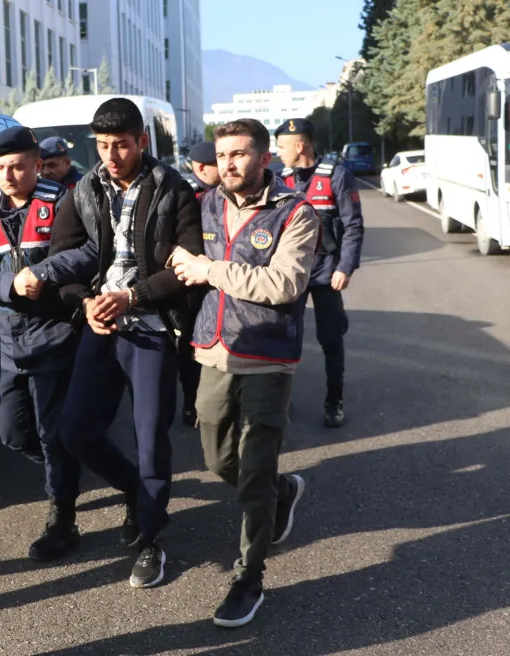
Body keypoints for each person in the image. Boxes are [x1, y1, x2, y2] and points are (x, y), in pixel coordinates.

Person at [24, 98, 202, 589]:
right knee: (75, 431)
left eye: (120, 145)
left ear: (141, 141)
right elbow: (65, 265)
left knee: (151, 439)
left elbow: (187, 268)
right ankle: (134, 492)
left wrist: (133, 296)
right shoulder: (83, 190)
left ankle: (150, 540)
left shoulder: (173, 190)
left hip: (151, 328)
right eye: (102, 146)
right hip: (100, 326)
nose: (111, 155)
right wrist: (86, 303)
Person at [172, 118, 319, 628]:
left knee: (254, 467)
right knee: (215, 458)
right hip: (214, 350)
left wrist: (208, 269)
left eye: (238, 155)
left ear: (263, 158)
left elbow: (283, 284)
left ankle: (248, 575)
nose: (227, 164)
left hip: (266, 355)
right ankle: (282, 491)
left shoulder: (295, 213)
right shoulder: (204, 204)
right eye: (222, 155)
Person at [0, 126, 82, 561]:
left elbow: (90, 251)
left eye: (17, 166)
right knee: (10, 430)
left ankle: (63, 516)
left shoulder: (63, 201)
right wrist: (10, 285)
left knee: (51, 431)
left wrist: (45, 273)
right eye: (0, 168)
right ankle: (63, 472)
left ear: (36, 165)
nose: (8, 175)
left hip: (53, 336)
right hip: (4, 343)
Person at [275, 118, 364, 427]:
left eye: (282, 147)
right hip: (290, 274)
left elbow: (353, 226)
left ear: (300, 146)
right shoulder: (279, 179)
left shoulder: (337, 177)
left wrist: (345, 267)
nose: (278, 153)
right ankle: (282, 402)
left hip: (327, 272)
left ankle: (334, 401)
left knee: (331, 338)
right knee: (284, 339)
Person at [178, 139, 221, 426]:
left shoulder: (222, 192)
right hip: (193, 282)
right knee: (190, 345)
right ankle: (192, 402)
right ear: (203, 168)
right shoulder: (190, 195)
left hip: (219, 274)